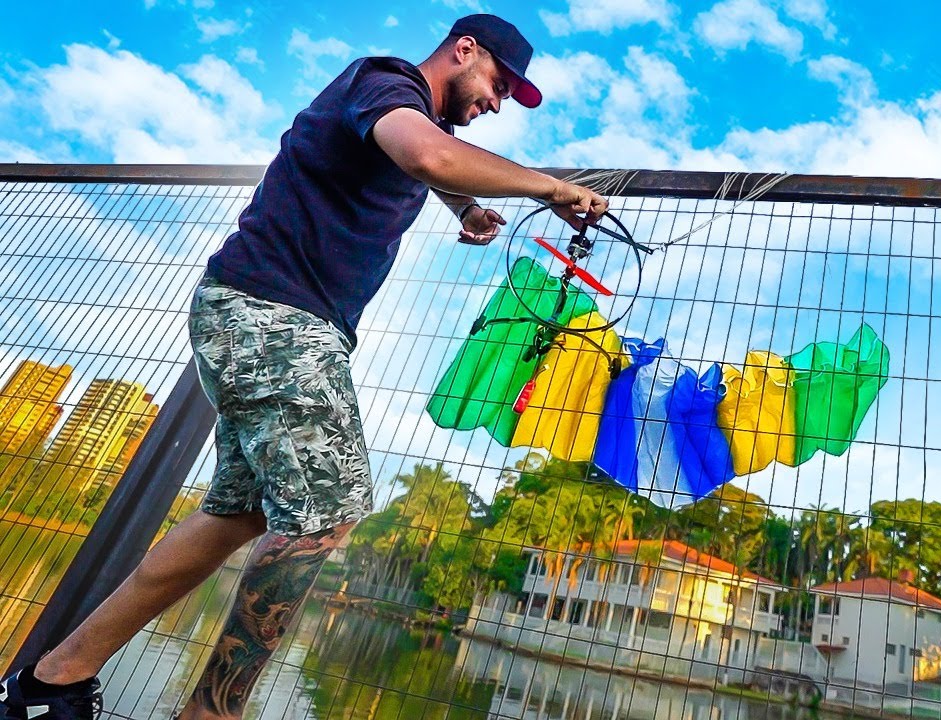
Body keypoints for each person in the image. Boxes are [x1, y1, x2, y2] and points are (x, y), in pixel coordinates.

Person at [0, 13, 607, 720]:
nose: (496, 103)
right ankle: (209, 715)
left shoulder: (401, 115)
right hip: (271, 318)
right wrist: (550, 187)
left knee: (235, 514)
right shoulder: (384, 83)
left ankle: (52, 681)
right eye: (497, 83)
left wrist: (466, 207)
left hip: (262, 318)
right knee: (328, 513)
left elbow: (429, 158)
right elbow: (426, 154)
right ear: (463, 51)